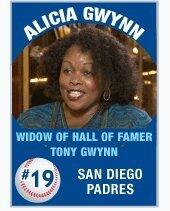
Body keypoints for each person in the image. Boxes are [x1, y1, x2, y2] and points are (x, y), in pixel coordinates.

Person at [18, 27, 151, 128]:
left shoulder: (133, 123)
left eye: (87, 72)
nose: (74, 80)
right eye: (67, 70)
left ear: (107, 81)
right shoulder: (31, 122)